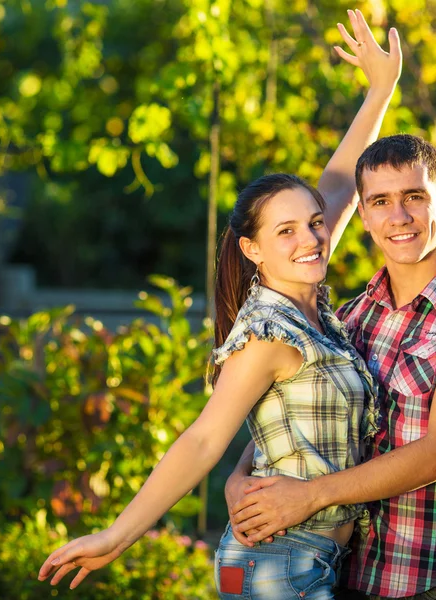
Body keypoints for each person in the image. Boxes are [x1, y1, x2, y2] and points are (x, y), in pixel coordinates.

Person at [36, 9, 402, 597]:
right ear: (253, 249)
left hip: (301, 559)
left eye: (314, 224)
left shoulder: (306, 302)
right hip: (276, 564)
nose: (309, 238)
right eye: (286, 232)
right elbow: (204, 440)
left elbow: (336, 183)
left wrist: (380, 90)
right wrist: (118, 535)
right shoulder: (270, 335)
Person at [226, 134, 436, 600]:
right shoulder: (351, 316)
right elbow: (293, 407)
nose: (398, 217)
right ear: (363, 214)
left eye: (414, 198)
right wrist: (242, 479)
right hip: (346, 574)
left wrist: (310, 495)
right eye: (381, 201)